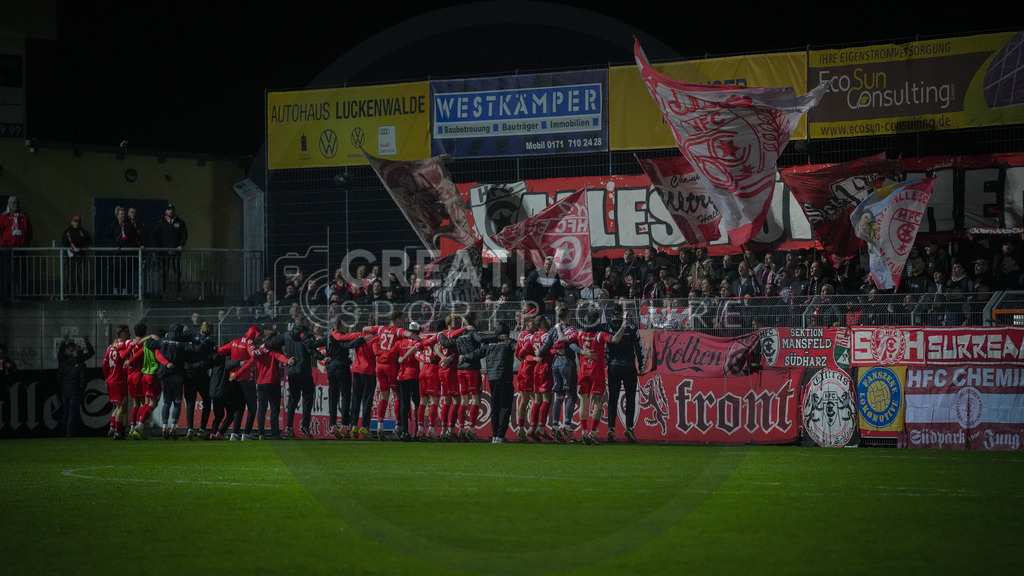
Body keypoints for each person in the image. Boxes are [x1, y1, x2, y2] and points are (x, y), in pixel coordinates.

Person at [558, 309, 627, 444]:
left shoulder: (579, 334)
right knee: (598, 402)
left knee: (583, 403)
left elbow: (562, 339)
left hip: (583, 371)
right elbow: (615, 339)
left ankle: (584, 431)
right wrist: (623, 326)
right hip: (597, 372)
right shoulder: (600, 335)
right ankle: (593, 433)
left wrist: (558, 327)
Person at [363, 310, 419, 439]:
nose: (404, 321)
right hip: (391, 366)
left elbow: (364, 328)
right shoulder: (397, 331)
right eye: (402, 319)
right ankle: (397, 427)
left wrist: (373, 335)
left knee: (384, 395)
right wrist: (419, 339)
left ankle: (379, 427)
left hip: (380, 366)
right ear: (398, 319)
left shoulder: (381, 328)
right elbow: (410, 334)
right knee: (397, 395)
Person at [235, 330, 295, 440]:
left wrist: (237, 374)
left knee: (262, 409)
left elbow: (249, 364)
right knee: (274, 409)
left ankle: (261, 433)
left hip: (261, 383)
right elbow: (280, 357)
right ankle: (275, 434)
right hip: (272, 382)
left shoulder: (258, 352)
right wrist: (288, 361)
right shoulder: (273, 351)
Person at [605, 303, 645, 443]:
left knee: (613, 398)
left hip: (613, 366)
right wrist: (641, 365)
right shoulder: (631, 327)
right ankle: (629, 427)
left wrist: (605, 362)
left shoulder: (607, 326)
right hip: (629, 366)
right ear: (622, 313)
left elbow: (603, 345)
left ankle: (611, 428)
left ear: (611, 314)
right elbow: (639, 347)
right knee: (630, 398)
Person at [321, 319, 366, 439]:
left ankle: (332, 425)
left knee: (333, 397)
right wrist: (361, 340)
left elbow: (311, 344)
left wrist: (321, 357)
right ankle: (345, 426)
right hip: (342, 368)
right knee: (345, 396)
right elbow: (347, 345)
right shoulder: (341, 337)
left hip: (330, 369)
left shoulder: (328, 337)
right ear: (340, 326)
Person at [283, 315, 324, 438]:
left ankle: (289, 426)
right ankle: (305, 425)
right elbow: (311, 350)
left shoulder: (287, 335)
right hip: (304, 371)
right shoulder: (306, 336)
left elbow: (275, 344)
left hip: (291, 371)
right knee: (307, 398)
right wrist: (322, 357)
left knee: (293, 399)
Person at [218, 325, 261, 441]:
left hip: (233, 380)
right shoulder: (250, 342)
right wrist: (240, 371)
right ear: (254, 334)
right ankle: (246, 434)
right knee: (252, 407)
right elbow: (254, 357)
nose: (259, 338)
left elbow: (220, 350)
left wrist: (233, 363)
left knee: (239, 408)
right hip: (245, 379)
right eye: (258, 335)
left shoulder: (234, 342)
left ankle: (234, 433)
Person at [183, 322, 217, 440]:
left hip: (189, 376)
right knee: (207, 401)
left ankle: (190, 429)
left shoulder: (191, 339)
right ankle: (202, 428)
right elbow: (212, 360)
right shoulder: (209, 343)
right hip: (202, 375)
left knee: (190, 404)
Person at [129, 328, 164, 439]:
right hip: (153, 376)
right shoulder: (157, 346)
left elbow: (137, 354)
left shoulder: (146, 345)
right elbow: (159, 356)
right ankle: (140, 426)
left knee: (146, 402)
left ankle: (138, 428)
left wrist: (128, 362)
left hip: (144, 375)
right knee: (153, 403)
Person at [57, 336, 94, 437]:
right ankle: (70, 433)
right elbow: (83, 378)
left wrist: (63, 342)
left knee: (66, 412)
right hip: (74, 390)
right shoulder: (78, 362)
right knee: (72, 412)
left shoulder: (64, 362)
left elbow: (59, 377)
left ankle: (63, 432)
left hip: (65, 390)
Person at [102, 325, 133, 439]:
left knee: (117, 406)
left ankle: (111, 429)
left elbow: (104, 364)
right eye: (127, 332)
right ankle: (117, 433)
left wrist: (107, 377)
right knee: (121, 407)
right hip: (118, 380)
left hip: (111, 380)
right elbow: (124, 355)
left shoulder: (110, 347)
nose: (129, 334)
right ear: (122, 334)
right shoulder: (121, 347)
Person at [394, 322, 423, 442]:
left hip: (402, 375)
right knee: (417, 403)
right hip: (414, 375)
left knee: (403, 404)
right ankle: (417, 431)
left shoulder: (399, 342)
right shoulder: (418, 342)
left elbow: (393, 355)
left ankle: (404, 431)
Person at [0, 195, 33, 299]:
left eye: (17, 202)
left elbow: (29, 232)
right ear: (9, 205)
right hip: (8, 249)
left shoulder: (24, 217)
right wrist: (2, 244)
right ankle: (7, 294)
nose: (15, 204)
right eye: (13, 203)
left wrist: (26, 244)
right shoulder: (3, 217)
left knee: (21, 272)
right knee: (8, 272)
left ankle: (22, 294)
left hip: (21, 249)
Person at [154, 203, 188, 294]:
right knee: (164, 272)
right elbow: (157, 236)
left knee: (177, 272)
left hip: (176, 252)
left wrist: (181, 245)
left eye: (172, 209)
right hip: (165, 253)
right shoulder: (161, 223)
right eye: (169, 209)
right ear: (166, 211)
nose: (171, 211)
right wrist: (161, 248)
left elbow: (184, 235)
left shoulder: (180, 222)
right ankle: (163, 291)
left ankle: (178, 292)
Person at [61, 215, 92, 297]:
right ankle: (68, 294)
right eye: (75, 221)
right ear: (72, 222)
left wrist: (83, 237)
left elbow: (89, 241)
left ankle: (80, 295)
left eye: (78, 221)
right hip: (69, 257)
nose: (77, 223)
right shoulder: (68, 232)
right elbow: (64, 242)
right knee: (68, 275)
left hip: (80, 257)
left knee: (80, 276)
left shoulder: (83, 232)